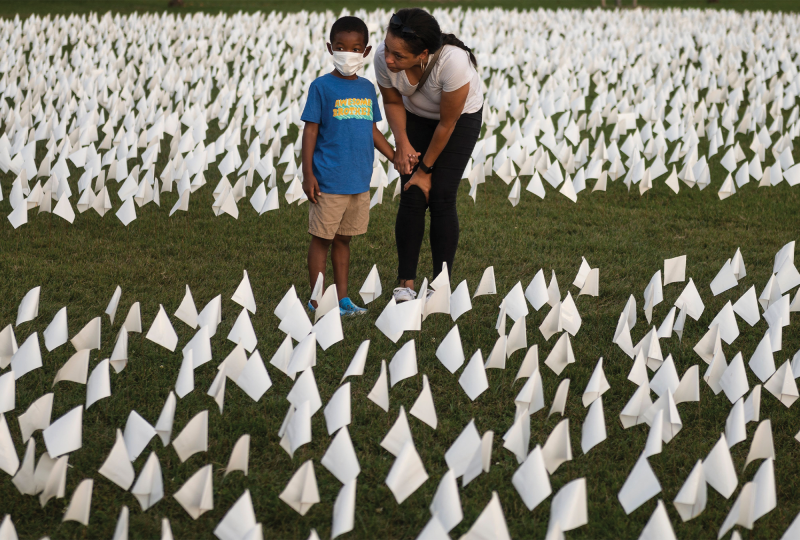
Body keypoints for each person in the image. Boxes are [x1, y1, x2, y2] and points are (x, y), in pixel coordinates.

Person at [374, 8, 484, 303]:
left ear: (423, 54)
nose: (388, 59)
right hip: (415, 118)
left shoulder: (453, 63)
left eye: (398, 55)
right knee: (411, 193)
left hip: (459, 121)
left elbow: (447, 124)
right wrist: (403, 144)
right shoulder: (383, 58)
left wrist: (424, 170)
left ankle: (441, 286)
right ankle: (405, 285)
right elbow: (392, 101)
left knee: (441, 194)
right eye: (388, 48)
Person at [301, 16, 395, 315]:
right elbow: (311, 130)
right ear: (331, 48)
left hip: (358, 181)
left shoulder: (367, 89)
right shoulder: (321, 87)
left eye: (355, 48)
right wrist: (308, 174)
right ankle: (317, 300)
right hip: (329, 180)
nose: (348, 53)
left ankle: (342, 299)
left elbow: (372, 130)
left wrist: (396, 157)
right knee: (322, 240)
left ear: (366, 52)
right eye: (341, 47)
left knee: (344, 240)